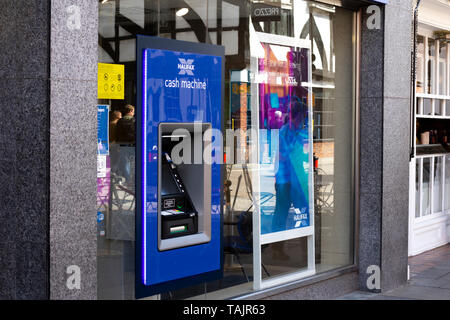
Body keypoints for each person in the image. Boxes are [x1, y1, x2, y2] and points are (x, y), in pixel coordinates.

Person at [272, 100, 310, 259]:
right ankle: (277, 249)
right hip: (286, 178)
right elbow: (281, 155)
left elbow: (305, 153)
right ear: (299, 116)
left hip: (293, 177)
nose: (303, 121)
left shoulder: (299, 132)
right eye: (302, 117)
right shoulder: (284, 132)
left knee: (301, 212)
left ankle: (306, 251)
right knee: (284, 212)